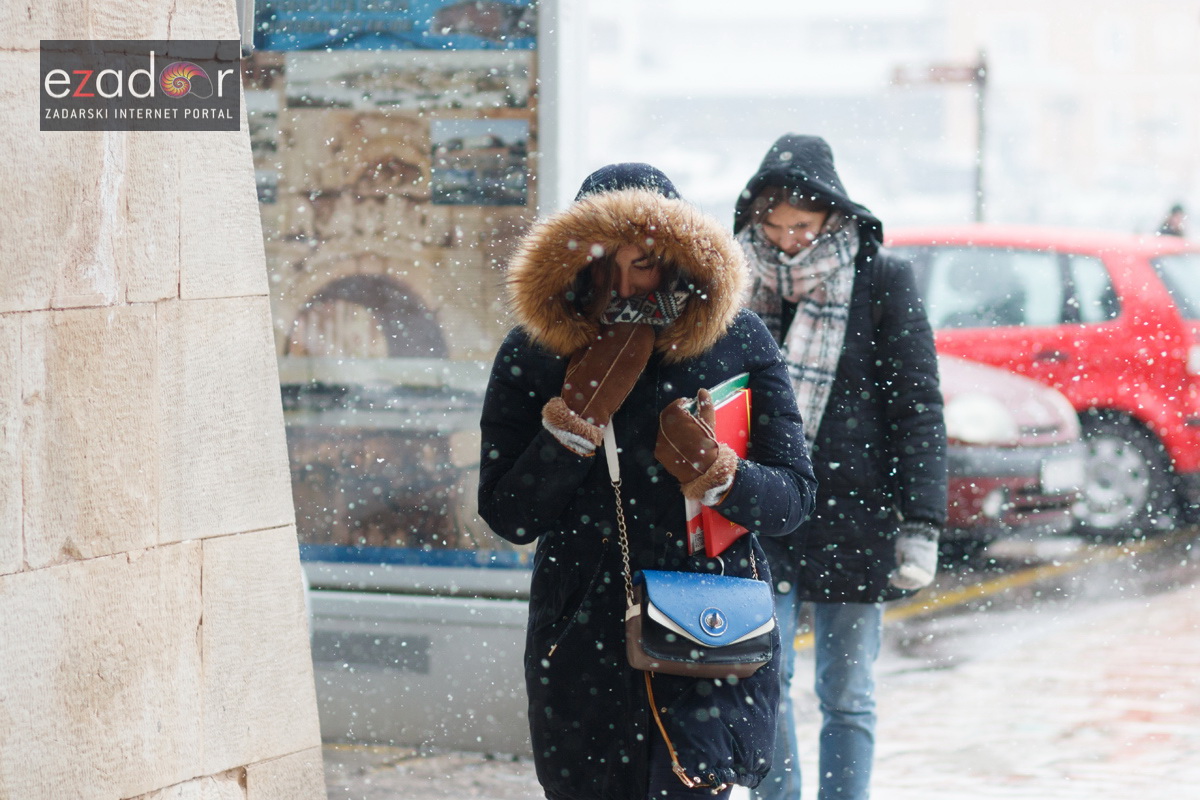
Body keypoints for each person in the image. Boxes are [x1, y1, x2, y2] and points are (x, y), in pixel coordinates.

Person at [478, 163, 818, 800]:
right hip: (582, 630)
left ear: (681, 259)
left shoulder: (735, 336)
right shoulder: (535, 349)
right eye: (606, 266)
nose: (625, 285)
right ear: (574, 262)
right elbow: (507, 514)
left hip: (706, 621)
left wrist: (722, 475)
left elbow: (795, 498)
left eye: (645, 264)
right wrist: (565, 439)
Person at [735, 135, 948, 800]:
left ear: (832, 217)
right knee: (763, 679)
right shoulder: (736, 283)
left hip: (856, 516)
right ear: (755, 219)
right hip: (764, 510)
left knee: (848, 692)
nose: (790, 240)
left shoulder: (881, 281)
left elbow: (917, 405)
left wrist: (922, 523)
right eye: (775, 226)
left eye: (804, 225)